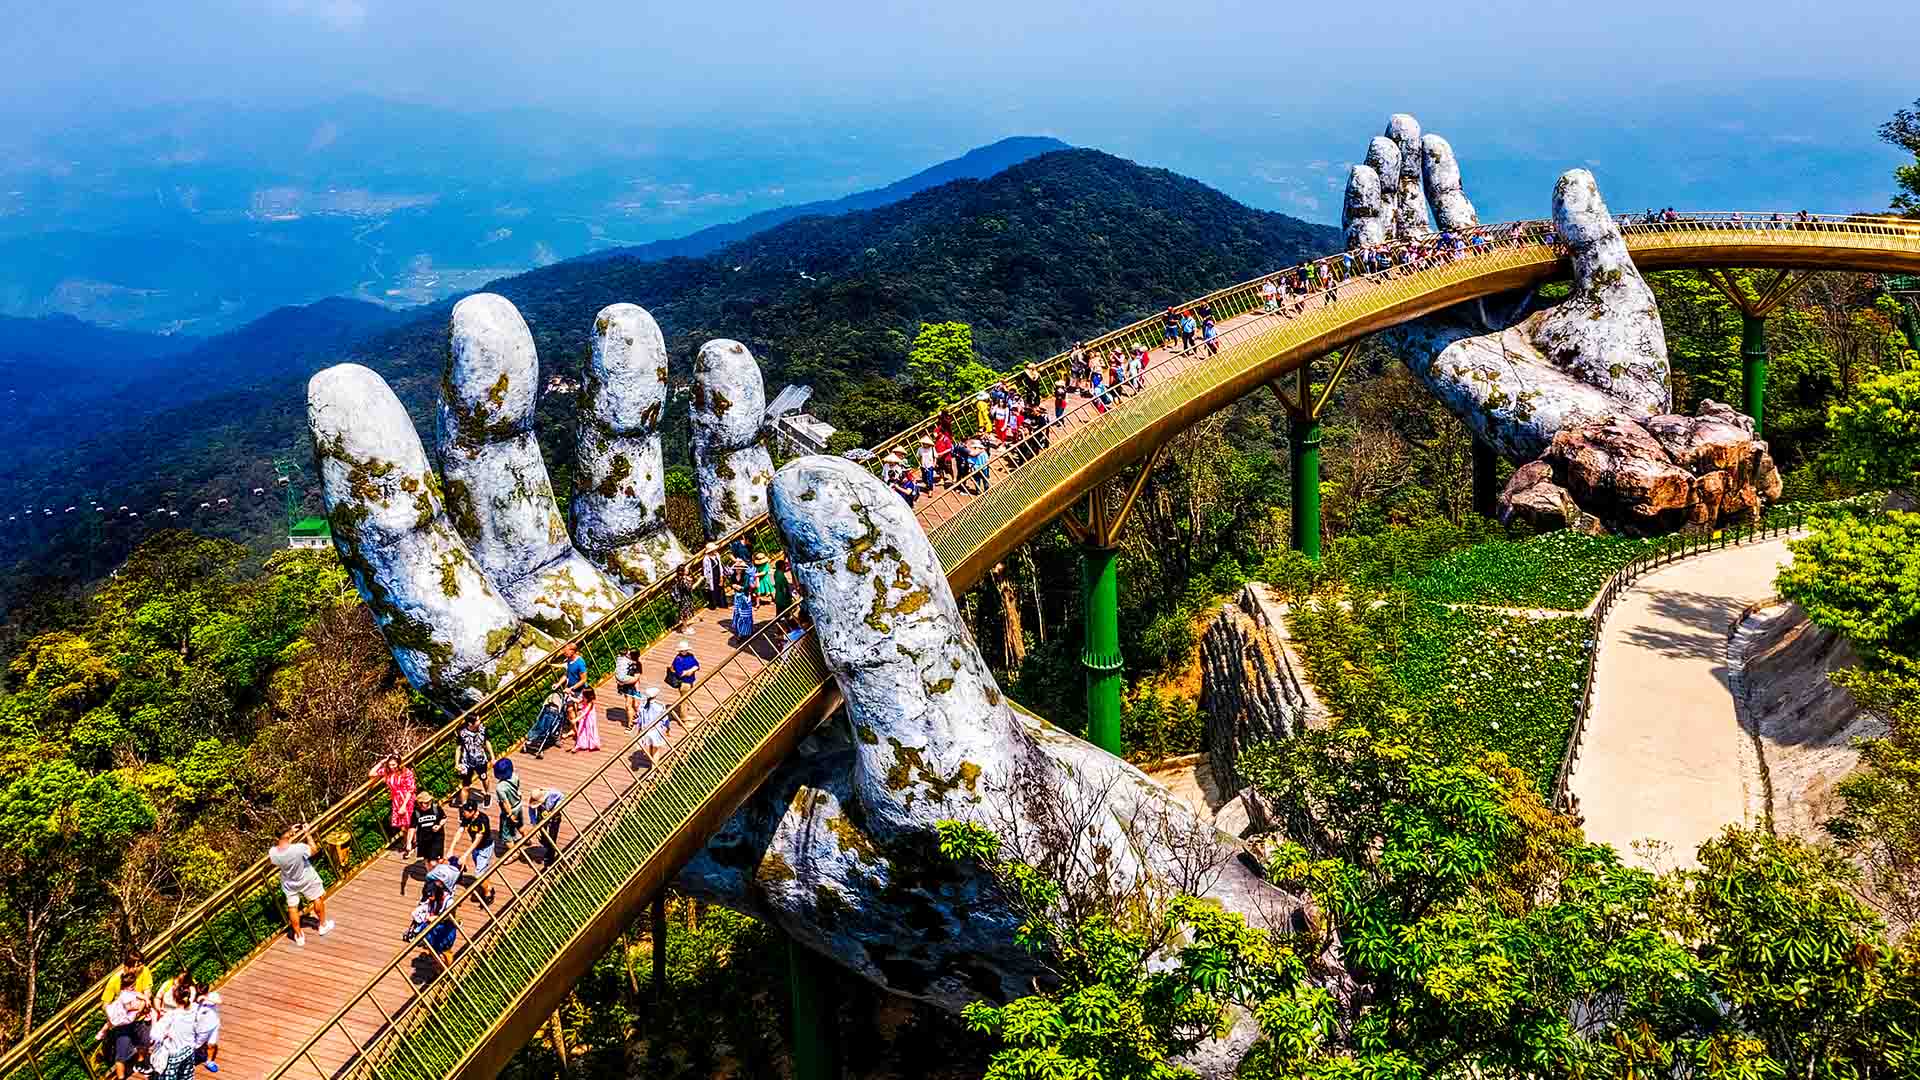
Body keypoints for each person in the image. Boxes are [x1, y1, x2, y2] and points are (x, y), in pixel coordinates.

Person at [269, 823, 332, 946]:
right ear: (288, 834)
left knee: (292, 907)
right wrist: (307, 833)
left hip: (289, 883)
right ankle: (323, 925)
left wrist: (289, 834)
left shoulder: (273, 853)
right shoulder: (299, 848)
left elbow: (283, 848)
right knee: (316, 898)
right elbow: (314, 850)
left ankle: (299, 936)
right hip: (306, 877)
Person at [98, 952, 152, 1080]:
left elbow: (147, 992)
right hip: (124, 1023)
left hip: (140, 1017)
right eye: (135, 966)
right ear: (126, 966)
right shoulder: (115, 981)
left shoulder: (144, 971)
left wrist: (140, 1008)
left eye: (140, 965)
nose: (138, 968)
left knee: (144, 1042)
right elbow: (105, 1004)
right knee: (121, 1052)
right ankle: (121, 1077)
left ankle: (140, 1063)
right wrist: (113, 1020)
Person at [368, 754, 417, 854]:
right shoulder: (387, 772)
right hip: (396, 799)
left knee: (408, 823)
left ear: (398, 764)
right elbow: (371, 774)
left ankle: (411, 843)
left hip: (406, 798)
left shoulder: (406, 772)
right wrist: (382, 762)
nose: (392, 767)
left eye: (394, 764)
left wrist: (404, 805)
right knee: (402, 824)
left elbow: (410, 789)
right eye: (390, 764)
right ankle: (409, 842)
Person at [456, 805, 498, 904]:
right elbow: (460, 831)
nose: (464, 813)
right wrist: (451, 848)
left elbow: (478, 839)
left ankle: (488, 892)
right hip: (476, 848)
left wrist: (465, 855)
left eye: (466, 811)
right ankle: (487, 885)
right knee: (482, 870)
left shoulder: (482, 820)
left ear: (474, 812)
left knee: (479, 874)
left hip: (485, 848)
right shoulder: (467, 817)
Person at [453, 714, 494, 805]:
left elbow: (487, 742)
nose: (480, 722)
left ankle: (487, 794)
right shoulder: (462, 733)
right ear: (470, 723)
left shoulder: (483, 729)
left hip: (480, 760)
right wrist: (457, 763)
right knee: (466, 786)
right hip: (467, 763)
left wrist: (492, 756)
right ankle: (464, 806)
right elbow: (459, 748)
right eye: (477, 720)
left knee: (484, 777)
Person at [189, 981, 221, 1074]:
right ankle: (187, 1062)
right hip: (201, 1030)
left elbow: (220, 1001)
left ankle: (209, 1061)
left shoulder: (213, 996)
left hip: (214, 1025)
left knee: (212, 1044)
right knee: (195, 1046)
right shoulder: (194, 1003)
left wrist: (206, 998)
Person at [523, 687, 565, 758]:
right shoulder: (554, 697)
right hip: (549, 712)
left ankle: (532, 741)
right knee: (541, 727)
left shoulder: (556, 698)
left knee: (544, 729)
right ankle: (531, 740)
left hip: (552, 713)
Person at [409, 791, 447, 865]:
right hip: (423, 839)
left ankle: (437, 875)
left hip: (437, 837)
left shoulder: (436, 808)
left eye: (430, 802)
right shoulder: (416, 812)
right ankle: (430, 875)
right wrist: (408, 843)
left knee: (434, 861)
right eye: (426, 803)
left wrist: (439, 825)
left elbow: (444, 818)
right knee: (427, 860)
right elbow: (412, 827)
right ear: (420, 803)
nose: (429, 804)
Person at [495, 757, 524, 853]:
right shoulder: (515, 776)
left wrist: (509, 815)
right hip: (519, 805)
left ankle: (515, 853)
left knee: (506, 835)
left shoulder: (500, 787)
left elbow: (505, 802)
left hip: (511, 810)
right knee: (520, 824)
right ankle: (527, 839)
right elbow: (518, 788)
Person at [531, 788, 564, 863]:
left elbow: (562, 797)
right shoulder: (534, 798)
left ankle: (550, 857)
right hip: (542, 817)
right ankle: (547, 846)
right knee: (542, 837)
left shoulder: (553, 793)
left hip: (554, 818)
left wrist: (555, 809)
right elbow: (531, 812)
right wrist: (535, 826)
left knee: (552, 838)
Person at [614, 648, 641, 726]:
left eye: (629, 654)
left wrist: (621, 682)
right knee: (628, 705)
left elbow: (636, 678)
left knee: (636, 705)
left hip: (634, 686)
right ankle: (630, 723)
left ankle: (640, 716)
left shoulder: (637, 665)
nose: (627, 655)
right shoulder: (625, 661)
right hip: (627, 687)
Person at [570, 687, 602, 753]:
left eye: (583, 694)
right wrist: (570, 696)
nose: (582, 695)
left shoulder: (590, 703)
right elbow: (578, 701)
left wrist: (575, 720)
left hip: (590, 719)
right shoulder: (584, 699)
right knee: (581, 730)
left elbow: (584, 713)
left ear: (588, 696)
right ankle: (579, 745)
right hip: (584, 718)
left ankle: (592, 744)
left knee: (590, 731)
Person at [672, 564, 697, 631]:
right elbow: (690, 588)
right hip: (685, 598)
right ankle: (684, 628)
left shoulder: (680, 578)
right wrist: (699, 581)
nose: (688, 570)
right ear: (683, 571)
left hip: (684, 598)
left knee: (686, 612)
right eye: (686, 569)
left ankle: (685, 627)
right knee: (685, 613)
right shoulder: (684, 579)